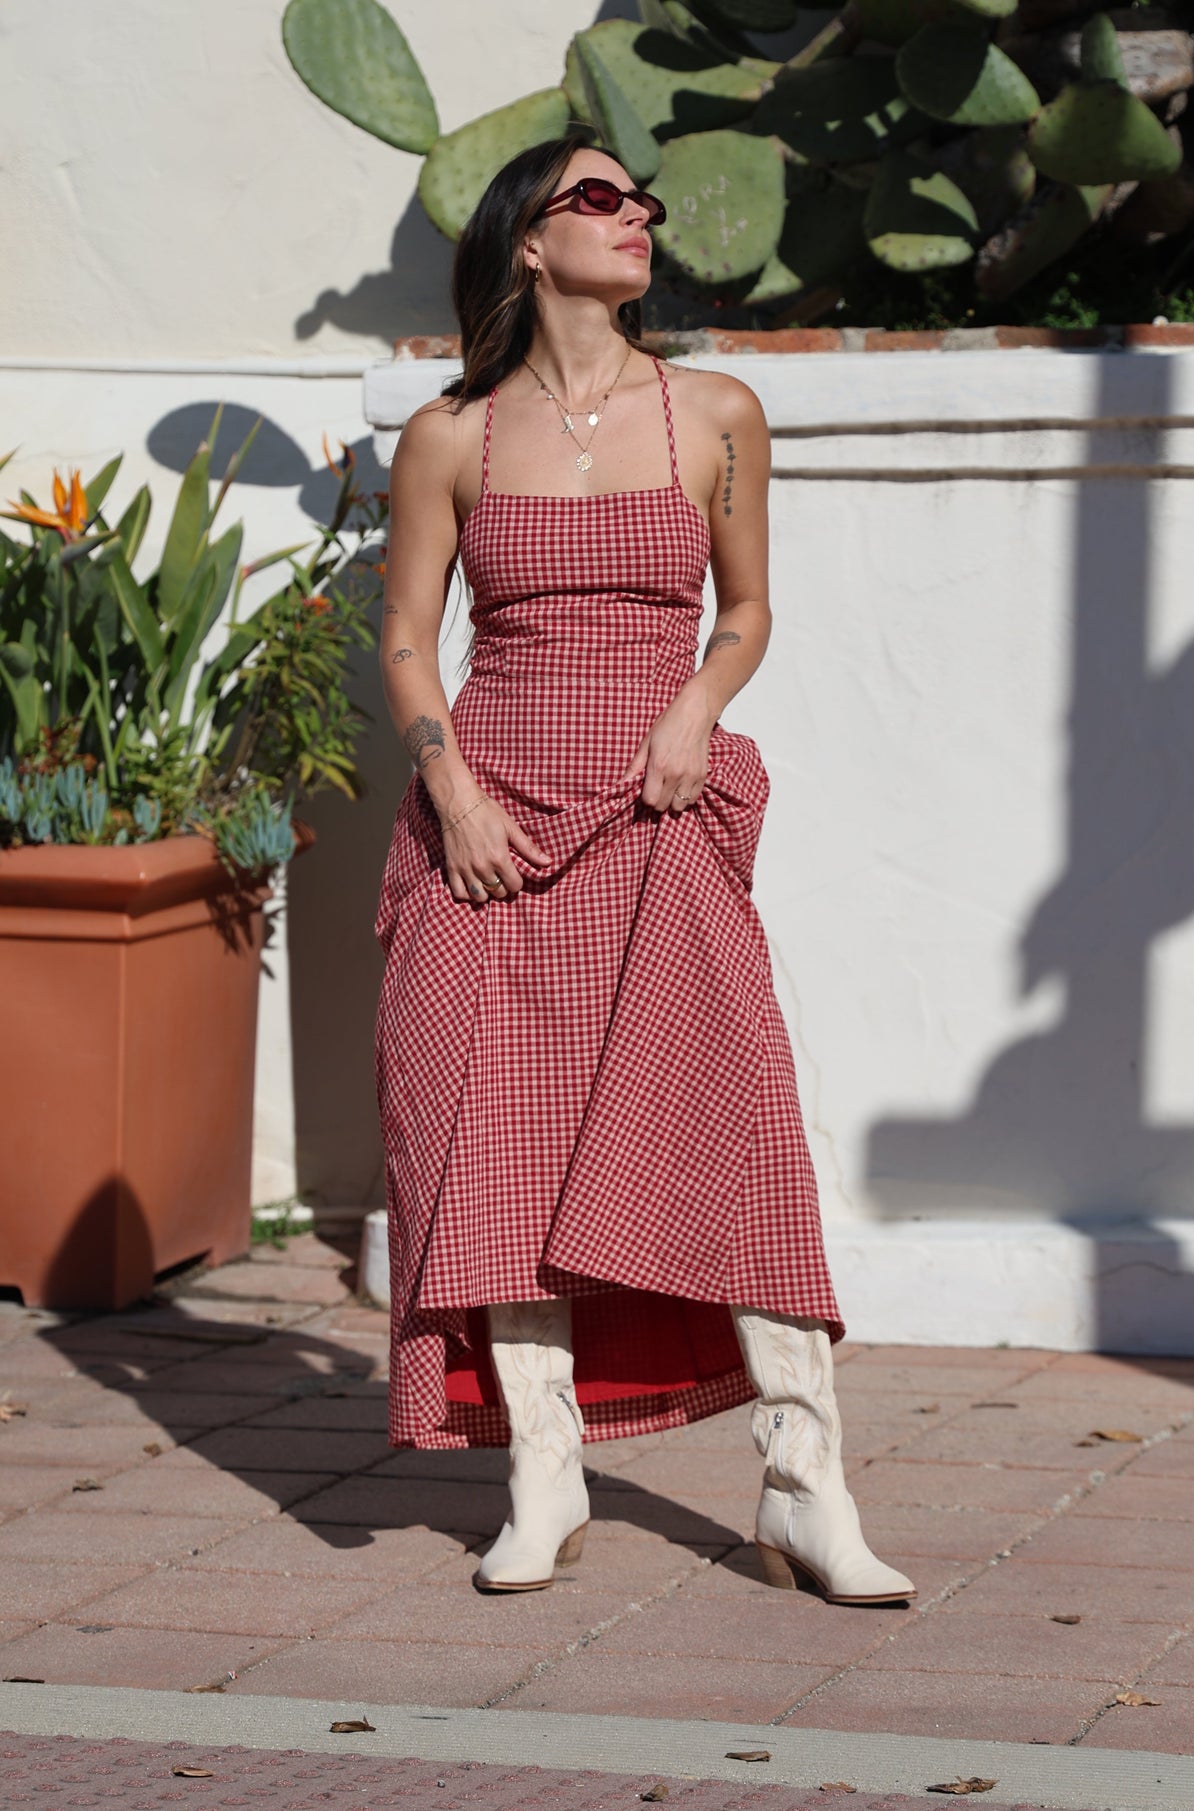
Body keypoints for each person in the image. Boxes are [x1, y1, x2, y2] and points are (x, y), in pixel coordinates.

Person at [374, 134, 913, 1608]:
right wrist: (451, 790)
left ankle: (807, 1486)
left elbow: (744, 613)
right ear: (530, 243)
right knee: (497, 1145)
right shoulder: (451, 436)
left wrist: (695, 712)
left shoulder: (715, 413)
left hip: (658, 812)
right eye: (600, 200)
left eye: (644, 201)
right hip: (493, 835)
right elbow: (411, 637)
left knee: (730, 1124)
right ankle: (543, 1474)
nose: (639, 219)